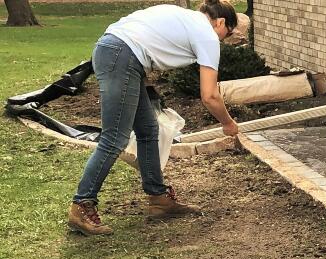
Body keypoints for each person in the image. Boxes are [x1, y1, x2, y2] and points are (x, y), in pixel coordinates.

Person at [69, 1, 242, 237]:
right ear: (220, 23)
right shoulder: (207, 34)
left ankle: (158, 199)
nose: (223, 40)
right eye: (227, 34)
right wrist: (228, 123)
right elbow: (210, 96)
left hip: (116, 52)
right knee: (115, 138)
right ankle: (81, 206)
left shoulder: (185, 18)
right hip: (122, 56)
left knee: (148, 129)